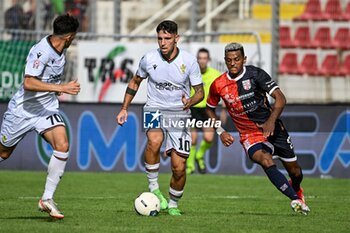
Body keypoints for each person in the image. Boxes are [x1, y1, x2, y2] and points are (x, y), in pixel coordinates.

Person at [205, 42, 310, 215]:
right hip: (249, 135)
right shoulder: (218, 84)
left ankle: (297, 188)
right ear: (224, 61)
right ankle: (296, 200)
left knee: (296, 173)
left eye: (237, 59)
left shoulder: (255, 74)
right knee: (265, 160)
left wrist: (270, 121)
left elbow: (281, 98)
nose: (233, 63)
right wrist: (220, 131)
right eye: (229, 60)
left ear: (244, 59)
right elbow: (209, 108)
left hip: (274, 129)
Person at [116, 20, 204, 216]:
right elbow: (135, 81)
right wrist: (124, 108)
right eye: (160, 39)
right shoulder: (148, 59)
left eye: (167, 38)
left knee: (179, 168)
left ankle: (173, 204)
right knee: (154, 141)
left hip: (179, 113)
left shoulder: (189, 62)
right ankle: (154, 187)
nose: (163, 43)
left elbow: (200, 93)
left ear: (176, 39)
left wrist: (190, 101)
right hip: (154, 108)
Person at [0, 14, 80, 219]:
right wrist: (61, 87)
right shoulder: (41, 51)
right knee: (3, 154)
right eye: (74, 37)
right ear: (69, 37)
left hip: (46, 110)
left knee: (62, 145)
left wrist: (55, 91)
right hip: (23, 111)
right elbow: (29, 83)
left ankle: (46, 198)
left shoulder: (60, 50)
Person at [186, 48, 221, 175]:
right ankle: (190, 167)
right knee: (192, 139)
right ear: (197, 59)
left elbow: (221, 92)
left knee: (209, 138)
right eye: (200, 58)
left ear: (208, 60)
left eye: (204, 58)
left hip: (207, 110)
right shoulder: (191, 73)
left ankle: (199, 156)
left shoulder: (215, 74)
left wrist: (223, 109)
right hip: (192, 109)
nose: (202, 61)